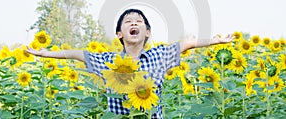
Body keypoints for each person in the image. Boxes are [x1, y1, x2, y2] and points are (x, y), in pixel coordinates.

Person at [26, 8, 234, 119]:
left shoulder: (158, 56)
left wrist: (215, 41)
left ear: (148, 32)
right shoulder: (108, 61)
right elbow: (77, 54)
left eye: (139, 21)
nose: (134, 23)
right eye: (128, 21)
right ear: (119, 34)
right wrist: (47, 54)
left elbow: (187, 44)